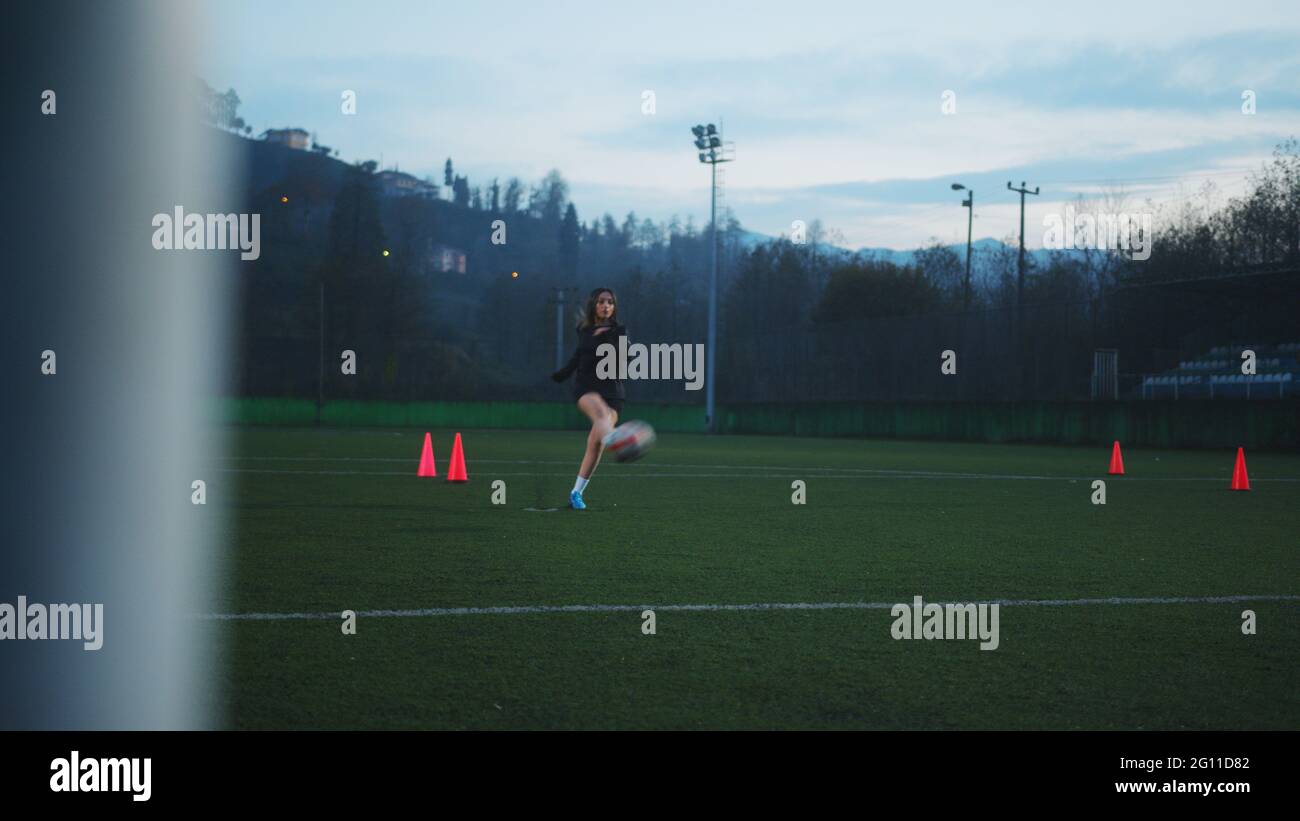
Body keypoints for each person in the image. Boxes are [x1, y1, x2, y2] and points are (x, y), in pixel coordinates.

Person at [551, 287, 624, 510]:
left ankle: (576, 493)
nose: (606, 306)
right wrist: (564, 373)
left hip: (612, 392)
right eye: (602, 302)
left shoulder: (619, 331)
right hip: (586, 388)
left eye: (610, 302)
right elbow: (578, 355)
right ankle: (617, 440)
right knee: (600, 415)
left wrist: (611, 339)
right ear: (594, 304)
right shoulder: (584, 330)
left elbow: (626, 354)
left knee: (596, 443)